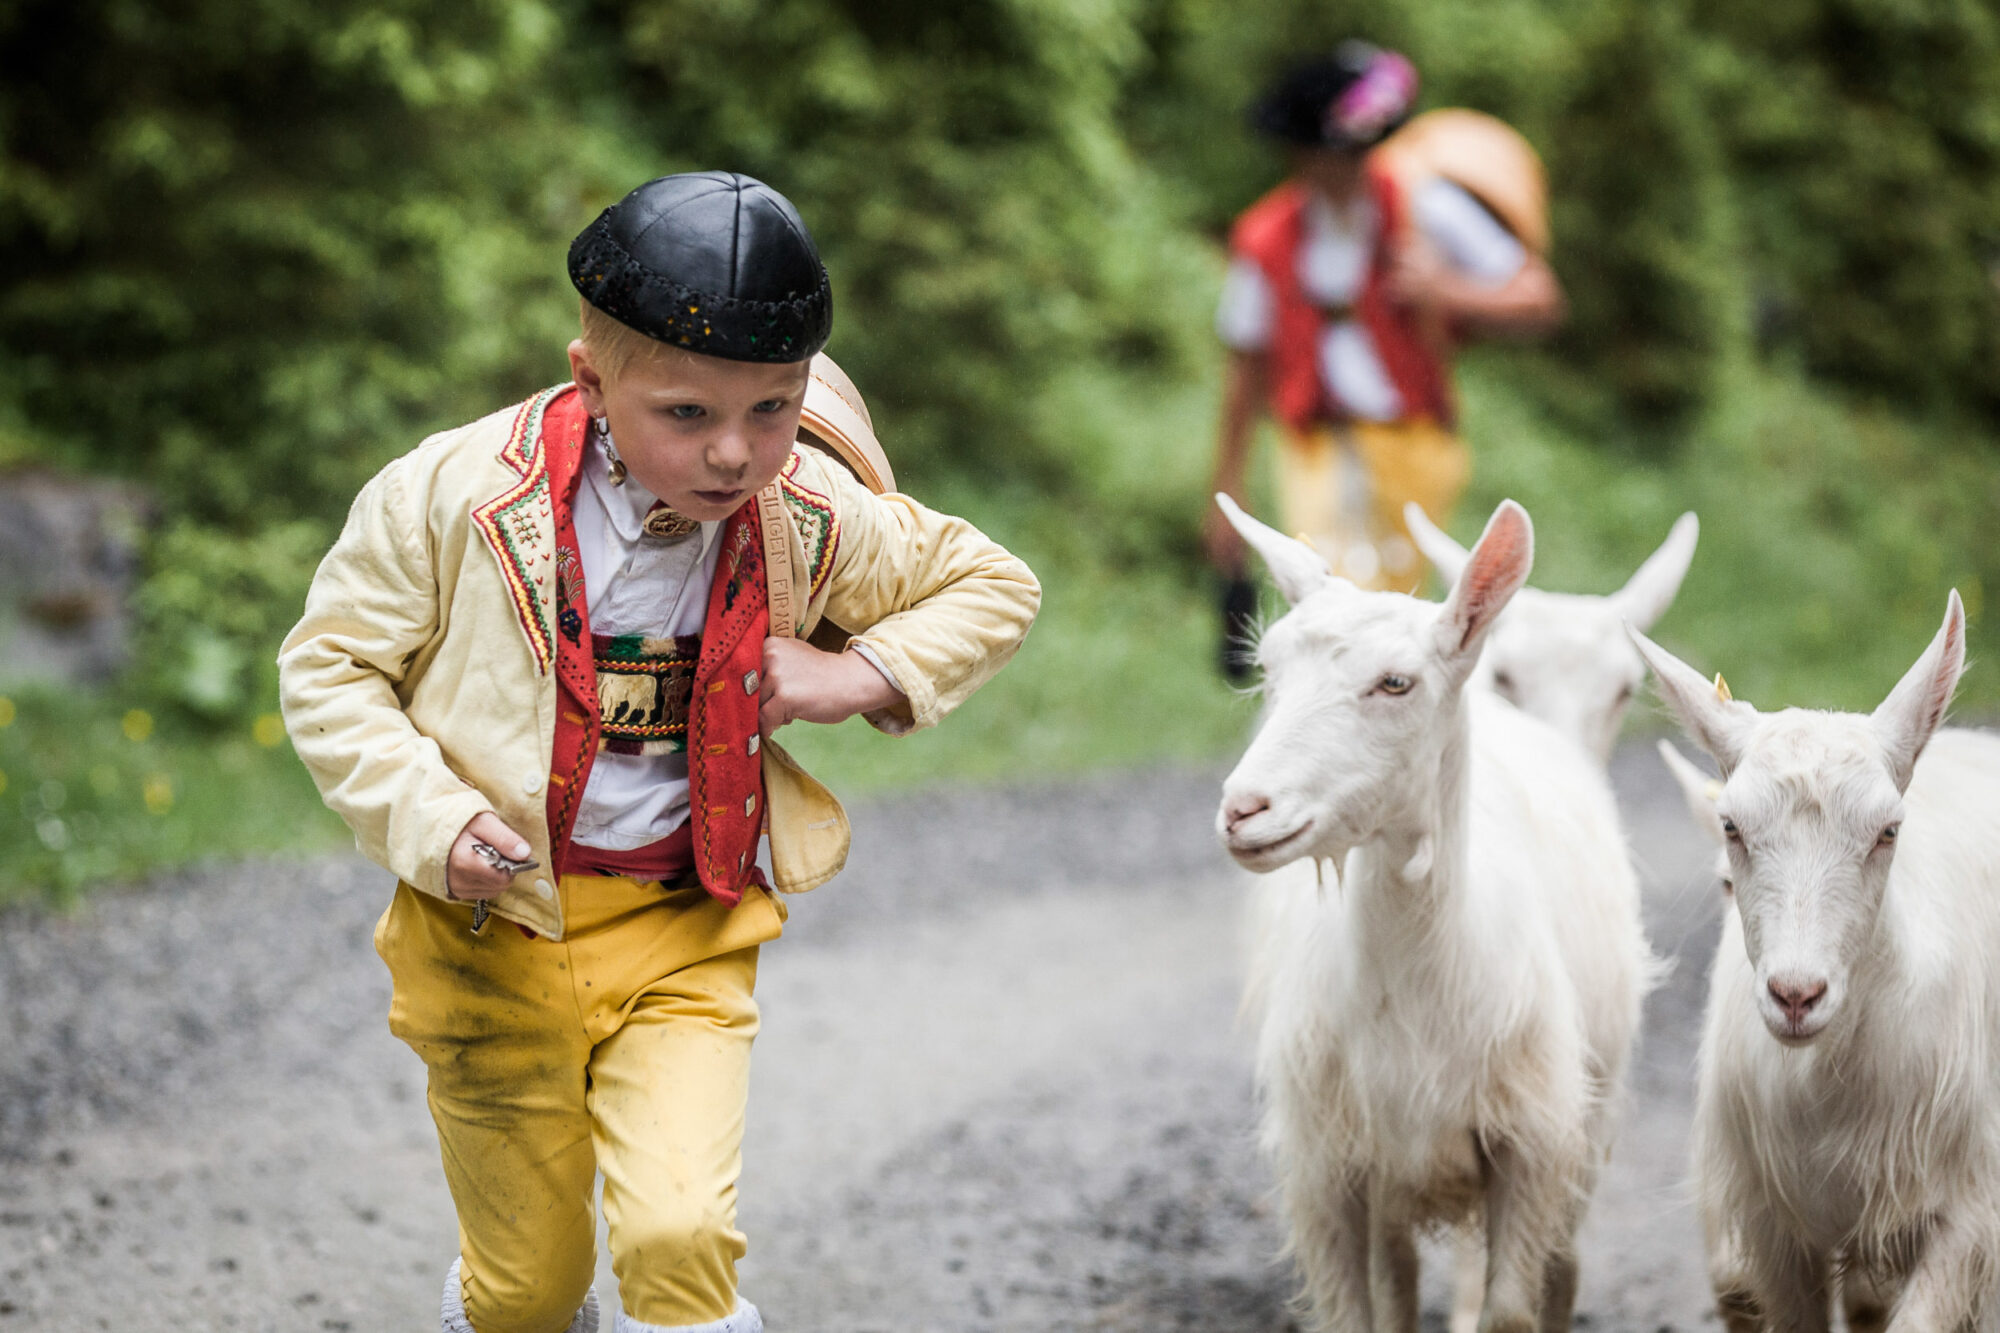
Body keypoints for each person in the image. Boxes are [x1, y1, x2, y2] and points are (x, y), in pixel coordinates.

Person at [278, 171, 1040, 1333]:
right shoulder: (449, 497)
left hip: (683, 926)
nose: (736, 454)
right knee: (524, 1294)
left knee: (679, 1239)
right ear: (591, 380)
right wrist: (431, 819)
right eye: (687, 414)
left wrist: (859, 674)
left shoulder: (806, 514)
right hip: (485, 937)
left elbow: (991, 581)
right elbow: (330, 671)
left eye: (773, 411)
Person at [1205, 42, 1565, 674]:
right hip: (1312, 443)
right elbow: (1245, 371)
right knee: (1328, 596)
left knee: (1394, 608)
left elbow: (1539, 298)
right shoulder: (1265, 237)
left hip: (1411, 440)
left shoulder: (1423, 206)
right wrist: (1226, 486)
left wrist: (1447, 289)